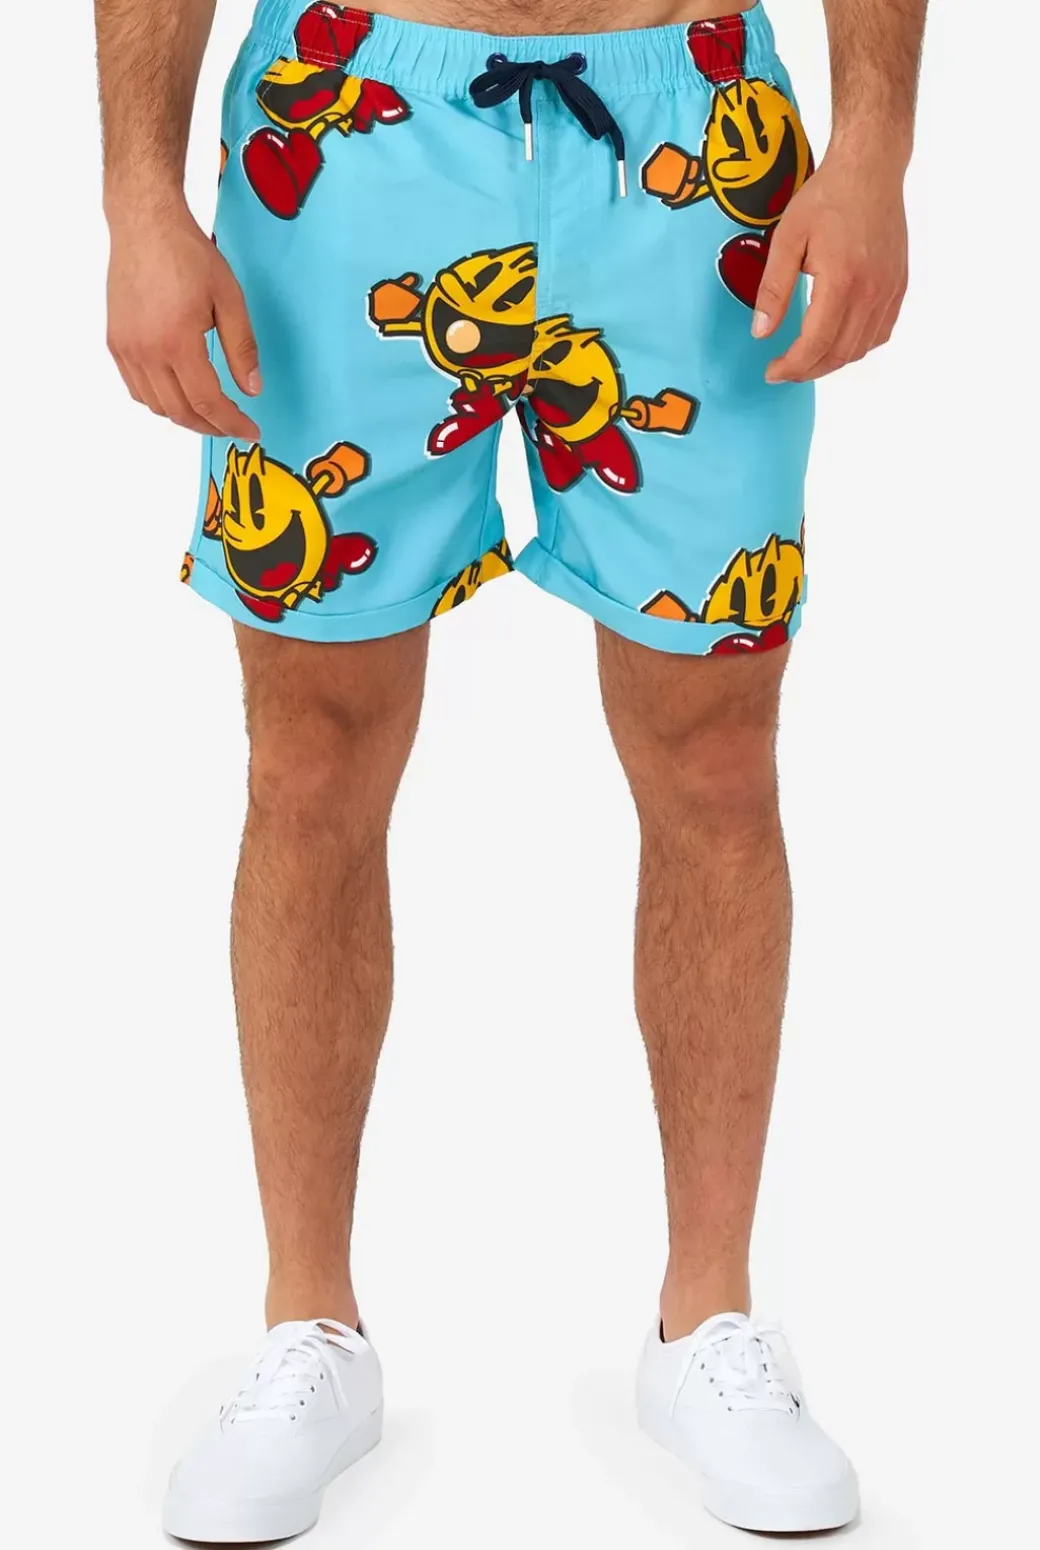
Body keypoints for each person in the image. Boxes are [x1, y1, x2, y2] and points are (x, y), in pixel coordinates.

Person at [95, 0, 925, 1537]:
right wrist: (137, 194)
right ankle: (308, 1327)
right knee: (309, 757)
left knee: (719, 754)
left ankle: (707, 1321)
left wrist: (877, 140)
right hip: (350, 127)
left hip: (694, 134)